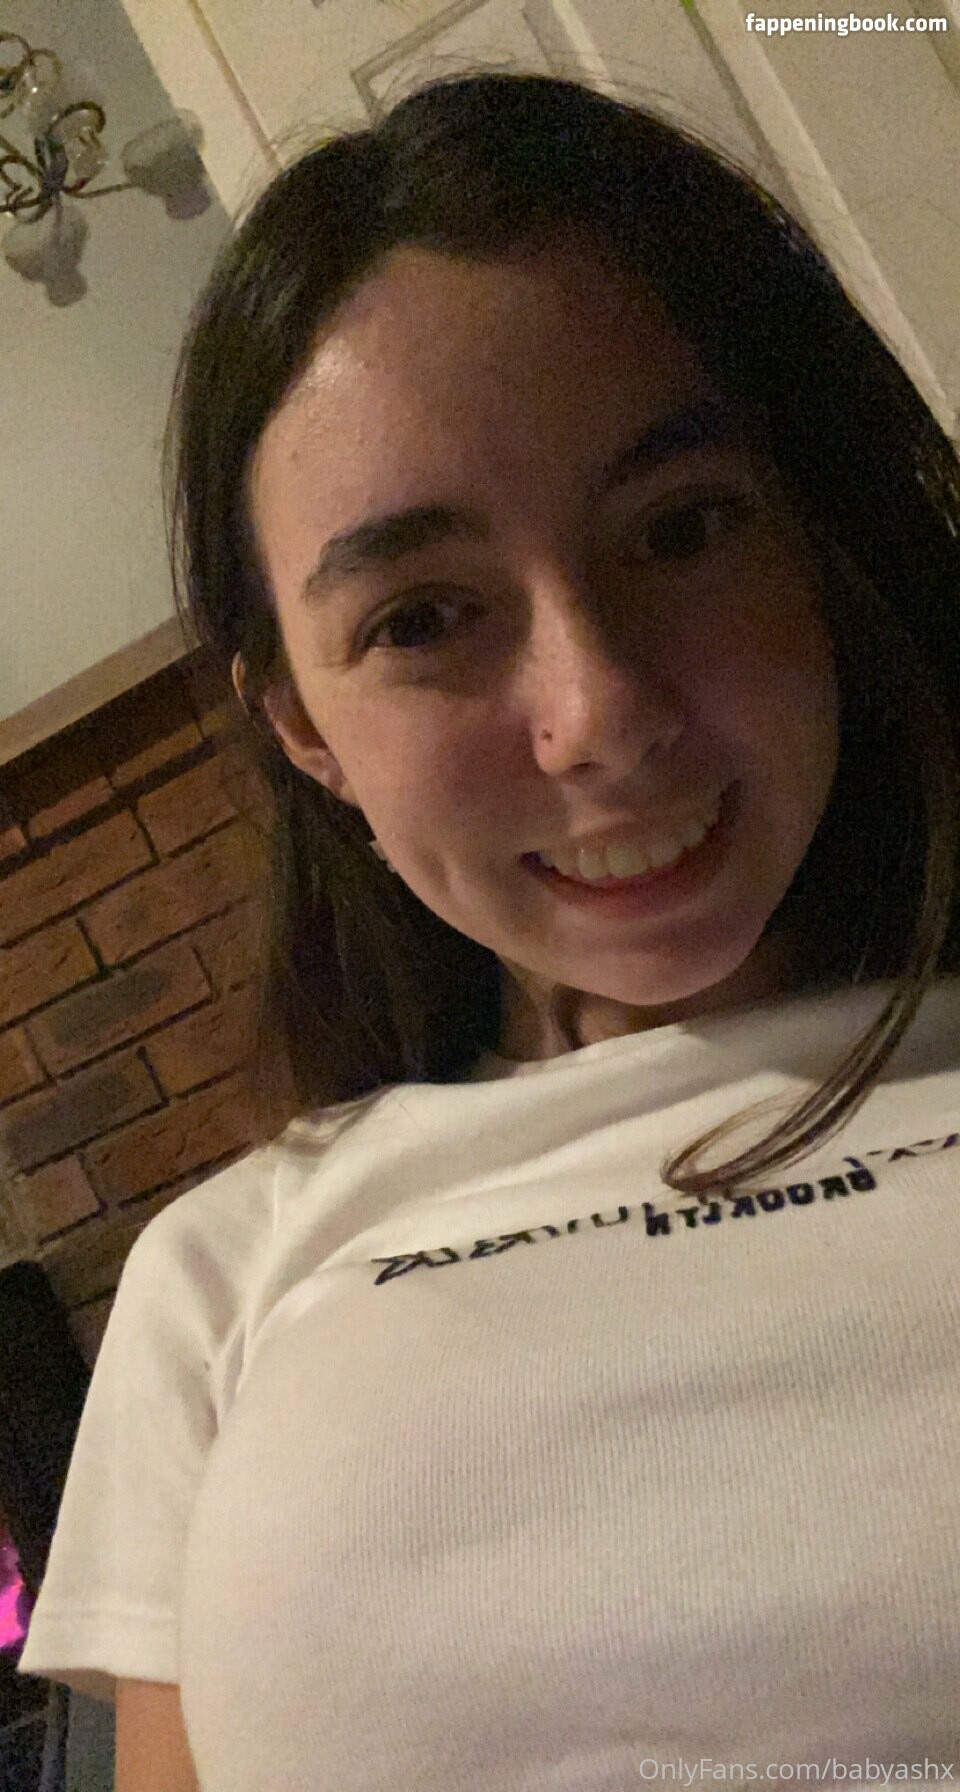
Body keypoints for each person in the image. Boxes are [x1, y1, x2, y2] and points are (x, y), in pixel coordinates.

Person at [18, 69, 960, 1789]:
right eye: (424, 619)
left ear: (819, 540)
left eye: (682, 530)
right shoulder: (225, 1271)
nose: (600, 714)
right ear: (304, 730)